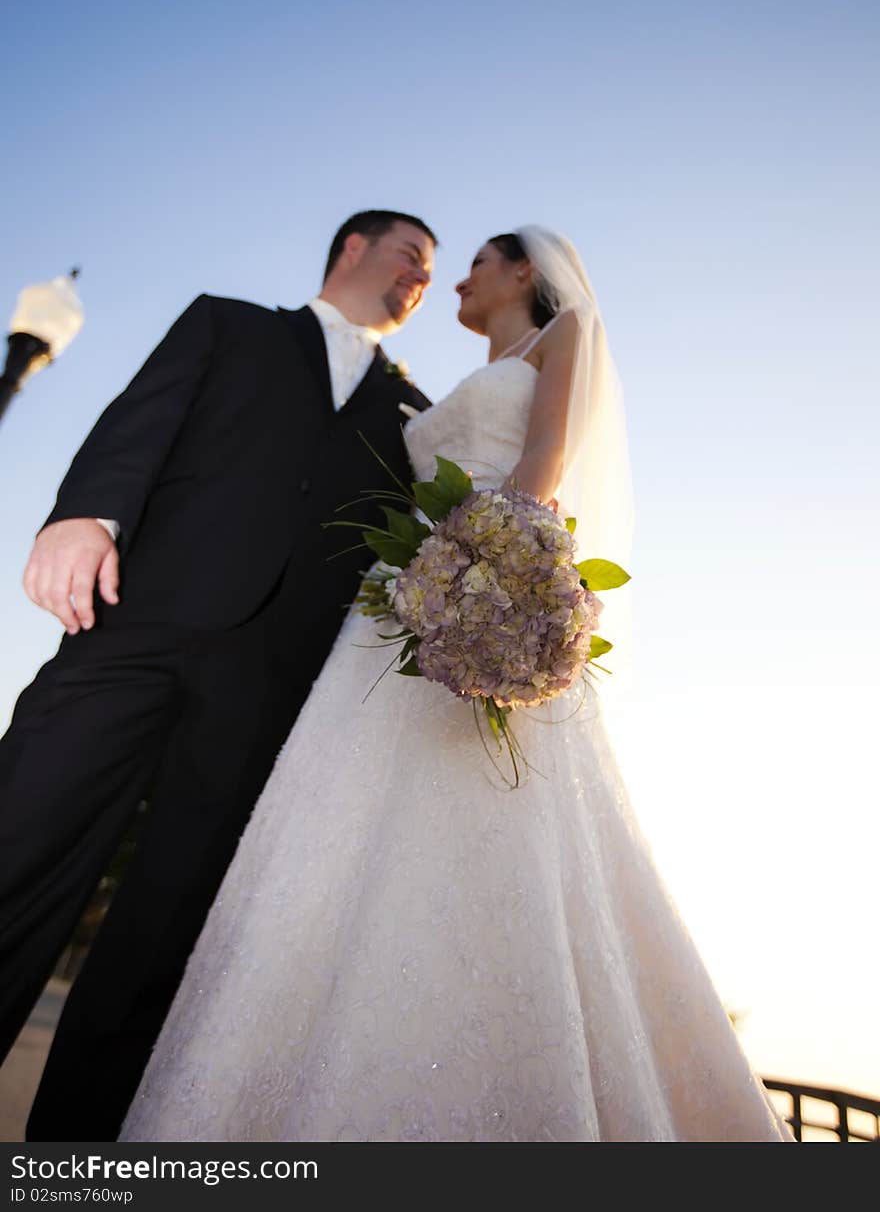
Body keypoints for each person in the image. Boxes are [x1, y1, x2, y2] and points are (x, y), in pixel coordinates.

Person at [119, 227, 793, 1142]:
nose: (456, 281)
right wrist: (431, 578)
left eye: (474, 261)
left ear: (525, 270)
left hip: (486, 572)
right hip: (402, 603)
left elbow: (546, 463)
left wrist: (494, 569)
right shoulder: (426, 390)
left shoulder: (566, 334)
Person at [0, 209, 437, 1140]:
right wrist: (84, 515)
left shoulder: (415, 416)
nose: (420, 279)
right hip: (135, 625)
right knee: (16, 842)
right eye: (410, 255)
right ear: (352, 249)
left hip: (268, 691)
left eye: (432, 274)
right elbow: (139, 423)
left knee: (163, 942)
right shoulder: (227, 322)